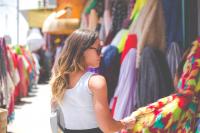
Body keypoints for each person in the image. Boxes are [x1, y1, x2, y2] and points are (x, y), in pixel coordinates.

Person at [49, 29, 136, 133]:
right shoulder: (96, 82)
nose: (101, 54)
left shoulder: (61, 79)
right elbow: (108, 127)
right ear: (82, 50)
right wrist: (126, 123)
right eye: (98, 49)